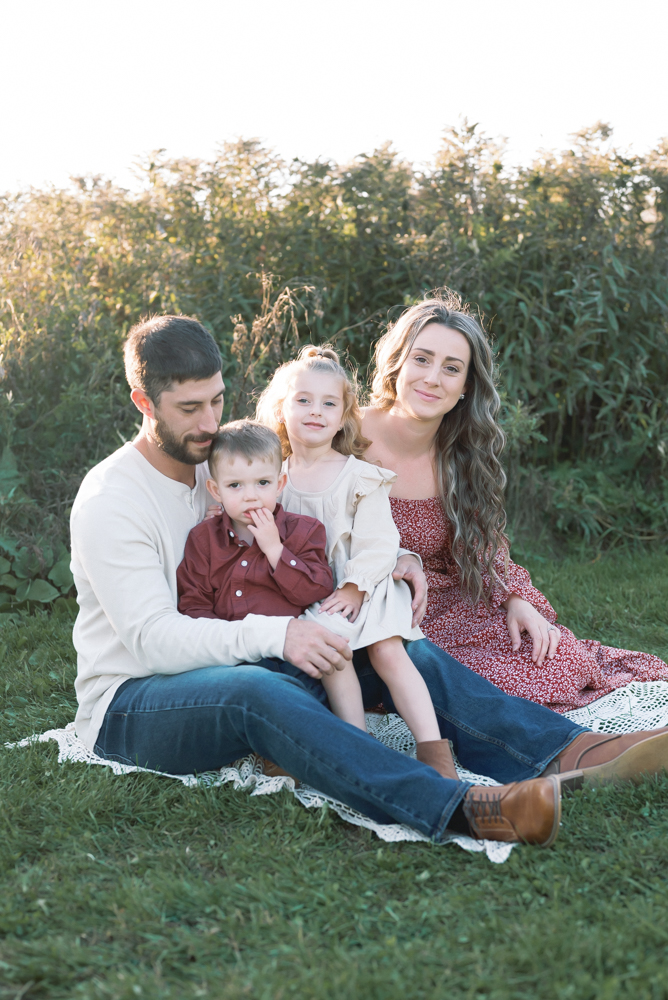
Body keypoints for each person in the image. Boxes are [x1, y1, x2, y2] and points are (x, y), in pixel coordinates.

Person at [69, 314, 668, 850]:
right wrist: (281, 637)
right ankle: (458, 806)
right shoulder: (113, 499)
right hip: (137, 702)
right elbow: (151, 639)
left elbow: (313, 518)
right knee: (258, 691)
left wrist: (397, 554)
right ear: (143, 402)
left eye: (218, 401)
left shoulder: (223, 468)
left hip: (235, 653)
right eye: (189, 409)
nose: (210, 424)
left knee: (397, 648)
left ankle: (566, 750)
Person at [359, 290, 668, 712]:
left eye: (452, 368)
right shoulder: (345, 435)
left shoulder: (458, 452)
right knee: (469, 681)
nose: (432, 378)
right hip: (376, 608)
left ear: (466, 387)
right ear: (398, 361)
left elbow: (481, 542)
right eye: (422, 359)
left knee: (554, 660)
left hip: (448, 600)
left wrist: (514, 598)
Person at [254, 346, 454, 778]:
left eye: (329, 403)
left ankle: (434, 751)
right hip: (310, 591)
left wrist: (354, 587)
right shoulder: (276, 475)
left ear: (345, 415)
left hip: (367, 585)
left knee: (388, 652)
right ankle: (355, 747)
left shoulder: (357, 474)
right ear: (281, 407)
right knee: (327, 654)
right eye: (303, 400)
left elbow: (382, 543)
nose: (315, 411)